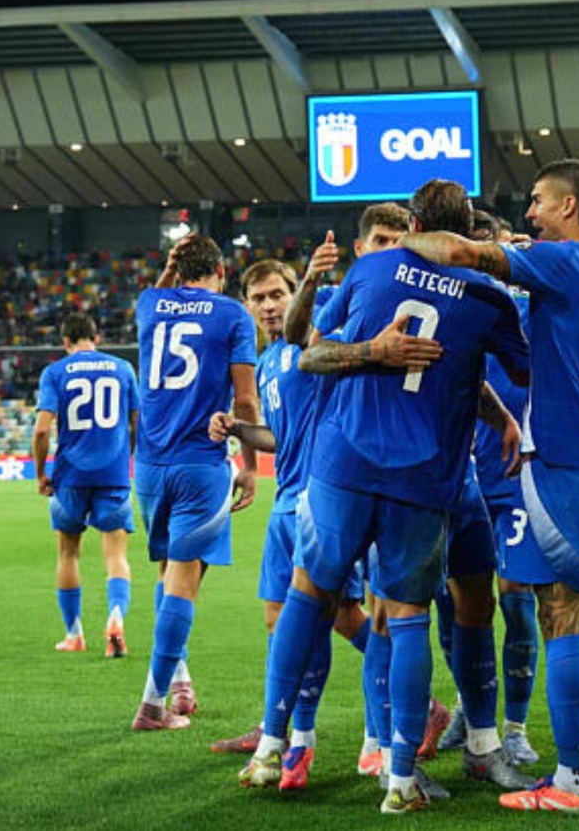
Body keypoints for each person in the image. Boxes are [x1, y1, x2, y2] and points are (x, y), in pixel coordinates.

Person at [240, 179, 528, 816]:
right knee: (407, 621)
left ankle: (269, 746)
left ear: (416, 221)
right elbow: (525, 368)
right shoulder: (489, 298)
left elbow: (308, 355)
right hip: (426, 479)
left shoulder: (373, 270)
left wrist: (373, 350)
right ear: (470, 227)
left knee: (307, 595)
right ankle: (399, 779)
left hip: (343, 463)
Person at [401, 160, 579, 814]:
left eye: (540, 202)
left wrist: (403, 242)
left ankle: (570, 782)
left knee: (560, 614)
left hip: (562, 463)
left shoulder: (561, 260)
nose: (531, 213)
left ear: (570, 207)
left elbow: (453, 249)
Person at [279, 203, 452, 781]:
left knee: (377, 613)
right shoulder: (349, 294)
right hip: (345, 473)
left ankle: (381, 743)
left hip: (392, 474)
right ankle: (300, 737)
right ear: (358, 249)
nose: (389, 248)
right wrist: (309, 280)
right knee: (328, 608)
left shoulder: (415, 296)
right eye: (378, 239)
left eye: (398, 239)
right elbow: (299, 339)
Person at [207, 259, 372, 790]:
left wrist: (313, 284)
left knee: (333, 619)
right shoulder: (268, 359)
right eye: (258, 299)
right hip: (285, 503)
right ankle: (295, 733)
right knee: (286, 621)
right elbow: (279, 439)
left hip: (320, 499)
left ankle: (301, 742)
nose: (269, 305)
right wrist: (238, 430)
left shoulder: (314, 336)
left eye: (277, 293)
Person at [132, 235, 261, 731]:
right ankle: (151, 704)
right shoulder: (232, 315)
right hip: (201, 463)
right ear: (222, 271)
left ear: (177, 269)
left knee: (168, 574)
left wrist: (167, 269)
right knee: (185, 580)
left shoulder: (149, 303)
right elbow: (245, 402)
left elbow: (156, 296)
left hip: (147, 466)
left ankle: (180, 676)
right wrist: (248, 463)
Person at [435, 210, 543, 771]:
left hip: (517, 476)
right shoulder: (451, 311)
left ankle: (517, 726)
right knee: (453, 607)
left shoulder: (524, 307)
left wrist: (531, 270)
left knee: (516, 600)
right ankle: (467, 710)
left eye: (485, 250)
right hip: (458, 473)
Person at [32, 312, 138, 659]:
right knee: (116, 556)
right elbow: (137, 423)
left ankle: (75, 633)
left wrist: (40, 474)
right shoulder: (123, 369)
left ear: (65, 342)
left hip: (70, 477)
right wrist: (127, 459)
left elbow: (41, 430)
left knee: (68, 553)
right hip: (113, 476)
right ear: (97, 336)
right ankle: (116, 618)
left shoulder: (55, 372)